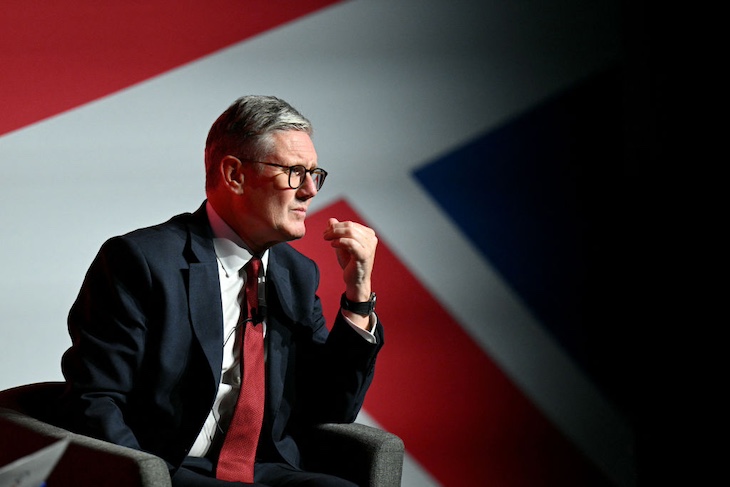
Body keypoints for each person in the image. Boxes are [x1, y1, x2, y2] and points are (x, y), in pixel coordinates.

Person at [57, 95, 383, 486]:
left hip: (266, 469)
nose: (311, 190)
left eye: (315, 174)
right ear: (234, 175)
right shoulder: (142, 261)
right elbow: (96, 398)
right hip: (169, 467)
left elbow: (331, 408)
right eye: (295, 172)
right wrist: (147, 478)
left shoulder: (296, 273)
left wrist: (358, 294)